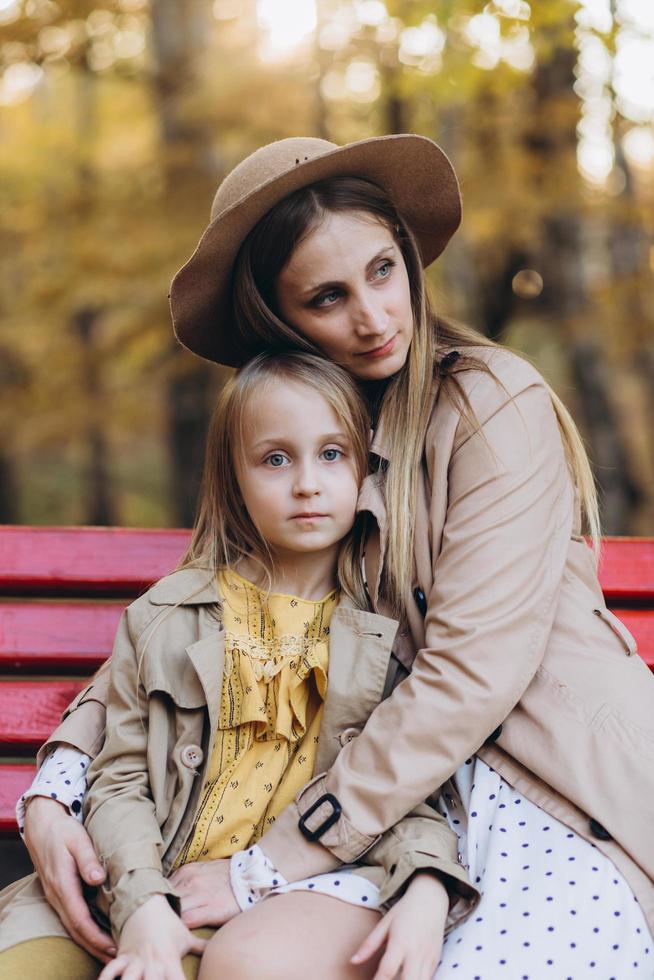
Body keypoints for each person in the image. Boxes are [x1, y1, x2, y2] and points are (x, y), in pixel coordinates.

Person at [6, 134, 654, 976]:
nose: (374, 317)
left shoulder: (492, 405)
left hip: (530, 789)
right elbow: (187, 621)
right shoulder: (287, 446)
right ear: (278, 318)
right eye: (327, 297)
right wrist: (57, 786)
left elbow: (472, 673)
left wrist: (268, 862)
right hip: (366, 795)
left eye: (384, 271)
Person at [0, 351, 475, 979]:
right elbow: (118, 782)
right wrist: (141, 905)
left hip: (265, 908)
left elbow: (399, 794)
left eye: (332, 454)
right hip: (124, 880)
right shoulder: (168, 615)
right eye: (276, 459)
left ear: (367, 468)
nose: (306, 482)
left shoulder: (382, 640)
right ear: (235, 476)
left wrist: (427, 884)